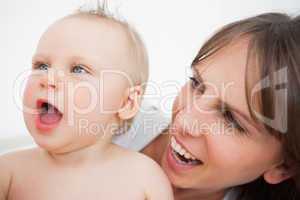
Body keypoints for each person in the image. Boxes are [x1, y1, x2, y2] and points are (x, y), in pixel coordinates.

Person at [115, 12, 300, 200]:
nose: (183, 121)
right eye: (196, 83)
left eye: (230, 119)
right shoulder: (108, 123)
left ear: (282, 167)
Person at [0, 6, 174, 200]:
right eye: (42, 65)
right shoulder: (9, 173)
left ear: (127, 102)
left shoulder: (145, 178)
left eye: (78, 69)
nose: (49, 78)